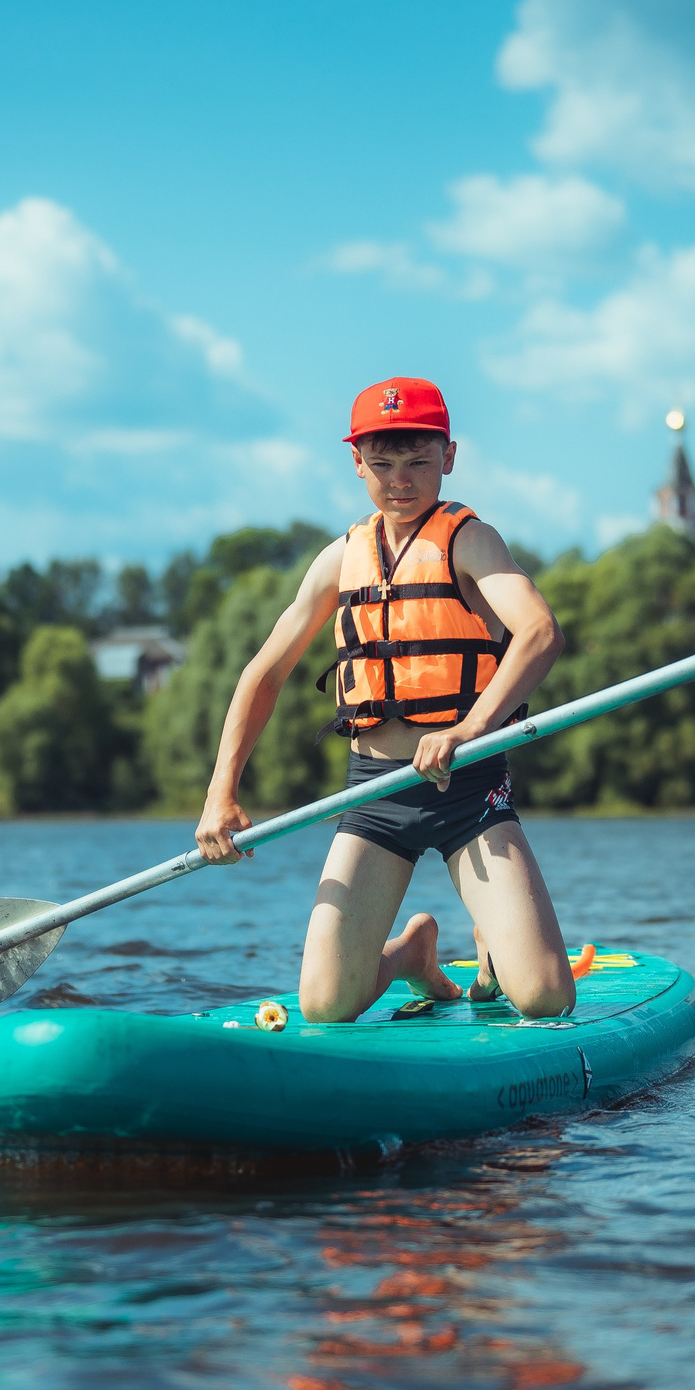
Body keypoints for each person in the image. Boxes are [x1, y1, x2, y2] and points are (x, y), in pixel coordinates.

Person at [194, 377, 575, 1022]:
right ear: (356, 463)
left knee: (544, 998)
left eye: (418, 462)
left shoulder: (470, 540)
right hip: (373, 794)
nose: (401, 480)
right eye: (383, 464)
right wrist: (220, 792)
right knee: (323, 1005)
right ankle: (413, 955)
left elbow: (539, 633)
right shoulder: (341, 558)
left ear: (448, 456)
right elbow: (263, 672)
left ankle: (491, 941)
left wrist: (471, 727)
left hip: (469, 786)